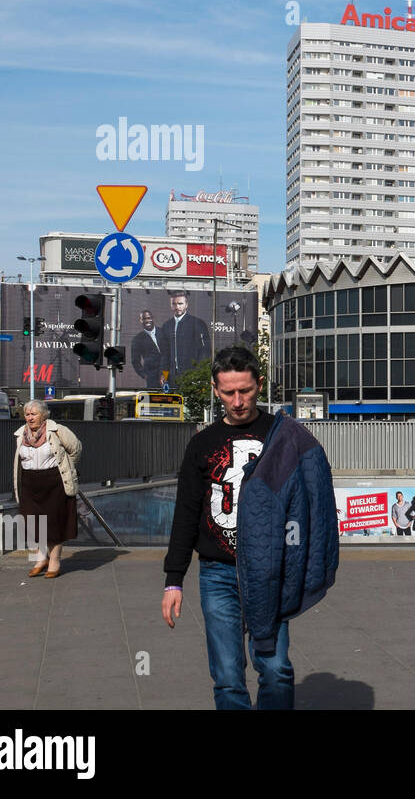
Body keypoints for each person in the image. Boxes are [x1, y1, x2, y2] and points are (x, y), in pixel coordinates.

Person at [162, 345, 339, 710]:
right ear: (216, 390)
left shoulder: (286, 436)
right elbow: (186, 513)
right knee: (227, 677)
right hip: (218, 573)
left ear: (260, 384)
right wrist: (173, 580)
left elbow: (313, 498)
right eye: (228, 392)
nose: (238, 400)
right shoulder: (202, 444)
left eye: (246, 390)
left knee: (276, 669)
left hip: (269, 572)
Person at [13, 400, 81, 578]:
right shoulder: (21, 434)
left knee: (53, 524)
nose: (30, 417)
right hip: (29, 483)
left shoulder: (57, 430)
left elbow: (76, 449)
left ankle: (54, 561)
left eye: (33, 414)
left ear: (43, 415)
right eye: (27, 414)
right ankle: (40, 558)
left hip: (54, 483)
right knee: (31, 524)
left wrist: (65, 468)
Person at [157, 291, 211, 383]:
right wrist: (164, 374)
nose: (177, 307)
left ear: (186, 305)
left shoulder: (197, 323)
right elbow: (165, 354)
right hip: (172, 376)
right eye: (174, 304)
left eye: (180, 304)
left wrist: (199, 374)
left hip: (192, 375)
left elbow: (205, 351)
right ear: (170, 305)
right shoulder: (167, 326)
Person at [130, 309, 164, 390]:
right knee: (154, 398)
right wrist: (144, 375)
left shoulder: (163, 332)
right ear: (141, 321)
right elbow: (135, 361)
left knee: (171, 397)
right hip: (152, 376)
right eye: (144, 319)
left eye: (149, 318)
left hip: (167, 371)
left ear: (153, 318)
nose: (147, 320)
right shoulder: (137, 339)